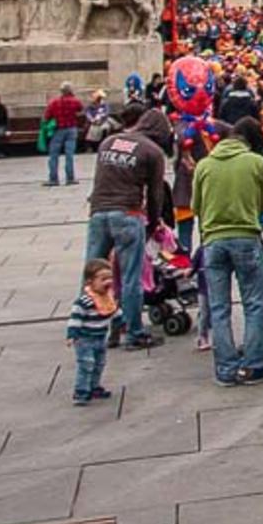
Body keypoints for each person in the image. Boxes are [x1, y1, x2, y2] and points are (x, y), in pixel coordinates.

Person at [192, 115, 263, 387]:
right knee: (253, 303)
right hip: (246, 237)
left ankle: (225, 370)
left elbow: (196, 206)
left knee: (219, 307)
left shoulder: (204, 165)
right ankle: (253, 365)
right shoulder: (256, 162)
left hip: (213, 241)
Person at [85, 108, 170, 350]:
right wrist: (153, 222)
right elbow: (156, 194)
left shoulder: (109, 142)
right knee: (130, 277)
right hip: (128, 214)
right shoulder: (152, 152)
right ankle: (134, 332)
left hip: (99, 213)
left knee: (94, 273)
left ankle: (94, 327)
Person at [67, 259, 118, 405]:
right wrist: (72, 335)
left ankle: (94, 387)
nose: (108, 282)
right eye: (103, 279)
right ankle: (81, 391)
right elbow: (75, 319)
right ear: (90, 282)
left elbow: (113, 311)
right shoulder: (84, 302)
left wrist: (121, 320)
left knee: (99, 364)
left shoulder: (107, 298)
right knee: (86, 364)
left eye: (110, 278)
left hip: (101, 338)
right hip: (85, 340)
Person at [44, 82, 84, 186]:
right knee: (69, 155)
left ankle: (53, 179)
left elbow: (47, 116)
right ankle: (70, 178)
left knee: (54, 155)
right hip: (71, 129)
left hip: (58, 130)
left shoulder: (54, 102)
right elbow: (80, 108)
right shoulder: (74, 101)